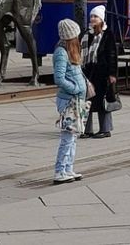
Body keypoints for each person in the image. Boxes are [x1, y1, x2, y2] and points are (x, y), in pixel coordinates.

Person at [53, 18, 87, 185]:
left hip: (77, 99)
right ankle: (60, 171)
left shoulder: (71, 50)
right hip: (68, 100)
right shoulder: (61, 52)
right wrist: (75, 88)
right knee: (67, 137)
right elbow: (59, 79)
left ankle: (68, 168)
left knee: (73, 137)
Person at [81, 5, 118, 139]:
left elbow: (112, 55)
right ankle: (86, 129)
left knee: (103, 102)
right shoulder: (86, 34)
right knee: (86, 101)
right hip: (89, 72)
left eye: (95, 16)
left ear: (101, 19)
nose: (92, 19)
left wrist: (112, 74)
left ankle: (105, 129)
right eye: (91, 16)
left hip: (102, 73)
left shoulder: (107, 34)